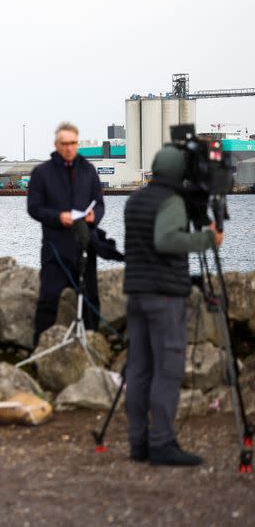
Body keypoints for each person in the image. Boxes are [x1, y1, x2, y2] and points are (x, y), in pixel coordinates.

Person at [123, 145, 223, 466]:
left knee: (138, 370)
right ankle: (163, 443)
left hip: (136, 292)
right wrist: (207, 239)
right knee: (167, 370)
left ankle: (138, 444)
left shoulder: (135, 199)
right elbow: (165, 241)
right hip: (164, 295)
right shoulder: (172, 202)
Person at [27, 122, 105, 346]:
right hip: (55, 247)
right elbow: (34, 208)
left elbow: (99, 204)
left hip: (84, 244)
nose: (69, 148)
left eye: (73, 143)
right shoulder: (42, 173)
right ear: (56, 145)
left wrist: (93, 217)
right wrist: (58, 217)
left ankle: (93, 346)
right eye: (65, 144)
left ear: (77, 143)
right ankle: (38, 349)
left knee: (91, 300)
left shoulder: (88, 171)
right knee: (48, 300)